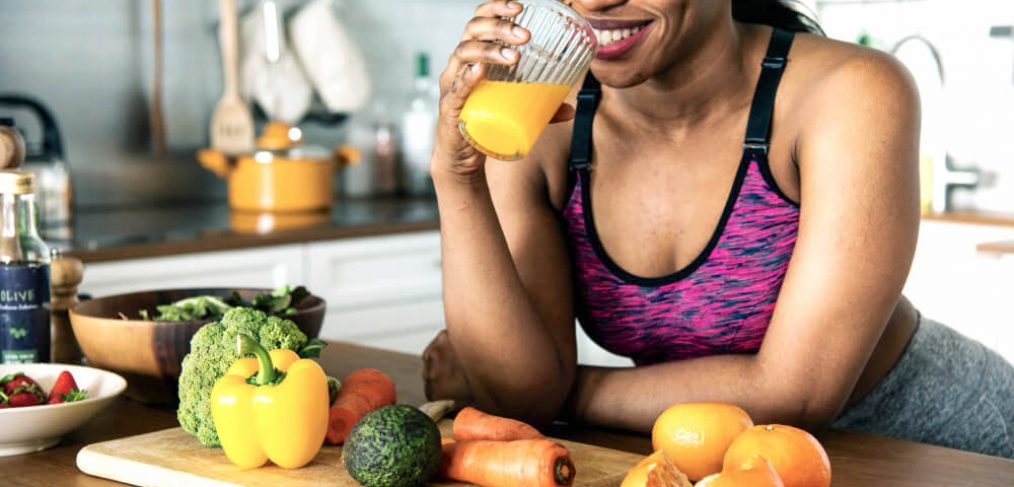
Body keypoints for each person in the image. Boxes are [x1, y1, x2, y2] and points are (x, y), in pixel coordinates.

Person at [422, 0, 1014, 458]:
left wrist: (564, 390)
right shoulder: (545, 113)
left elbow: (794, 394)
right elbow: (520, 398)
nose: (595, 2)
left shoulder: (849, 91)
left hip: (931, 446)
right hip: (715, 455)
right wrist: (456, 175)